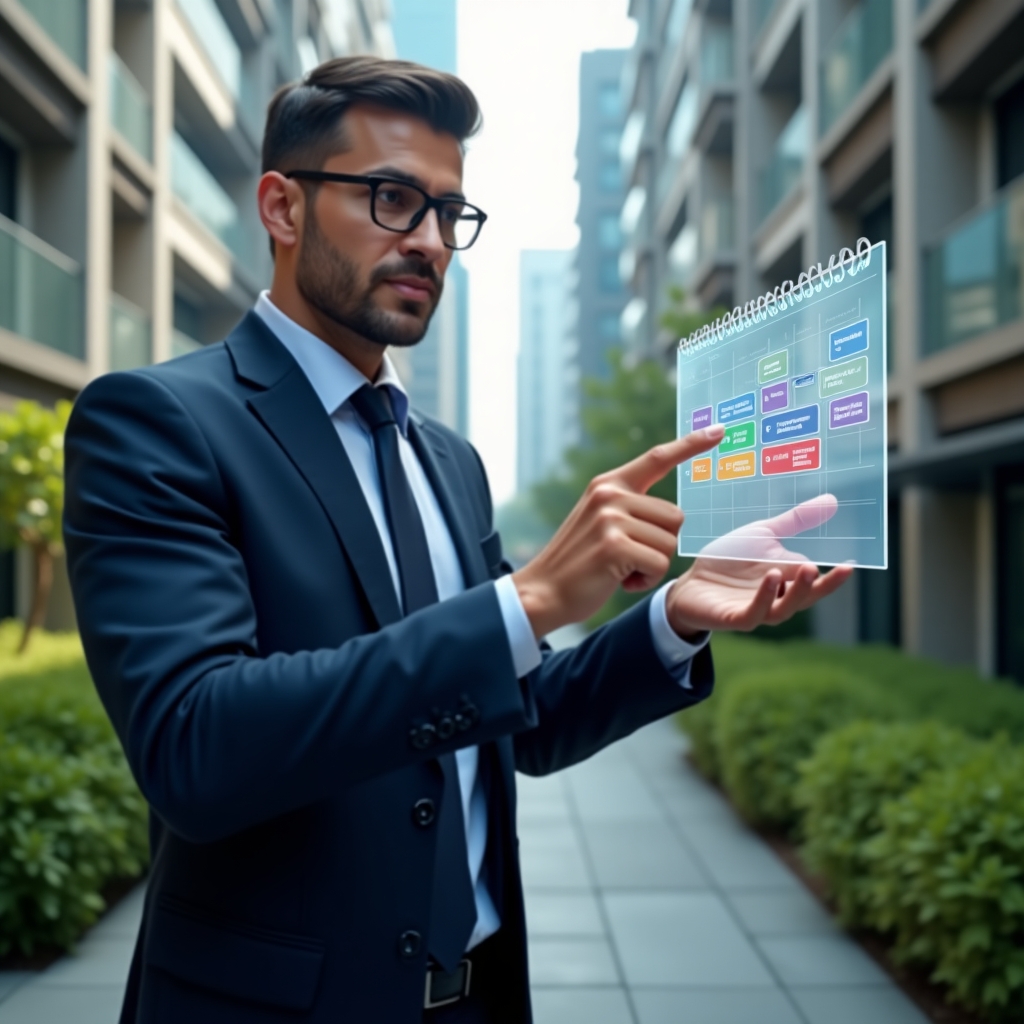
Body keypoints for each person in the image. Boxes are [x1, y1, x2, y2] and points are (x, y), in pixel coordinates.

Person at [63, 57, 850, 1024]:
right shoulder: (159, 421)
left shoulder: (448, 459)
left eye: (449, 213)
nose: (431, 241)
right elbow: (195, 747)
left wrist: (674, 619)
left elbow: (524, 715)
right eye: (393, 199)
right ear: (282, 207)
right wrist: (529, 601)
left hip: (476, 998)